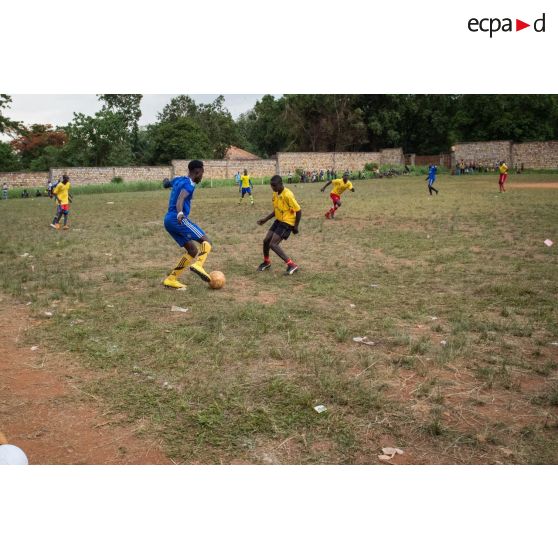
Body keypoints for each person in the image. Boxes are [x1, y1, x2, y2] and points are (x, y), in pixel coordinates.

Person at [162, 160, 213, 289]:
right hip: (177, 218)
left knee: (192, 250)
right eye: (202, 173)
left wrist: (165, 181)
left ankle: (171, 279)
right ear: (197, 172)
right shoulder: (189, 185)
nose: (202, 176)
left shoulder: (178, 179)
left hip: (168, 220)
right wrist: (180, 213)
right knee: (206, 241)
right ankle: (198, 265)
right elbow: (180, 199)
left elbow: (167, 184)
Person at [257, 175, 301, 276]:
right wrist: (265, 219)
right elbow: (276, 210)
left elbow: (298, 210)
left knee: (273, 244)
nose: (273, 188)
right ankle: (266, 262)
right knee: (266, 240)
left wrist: (296, 226)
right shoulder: (275, 194)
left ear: (281, 184)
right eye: (271, 186)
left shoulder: (288, 195)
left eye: (274, 186)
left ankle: (292, 265)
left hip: (288, 222)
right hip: (279, 220)